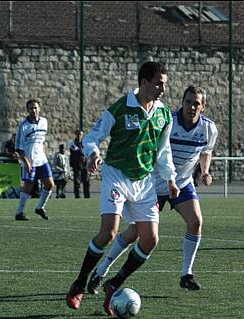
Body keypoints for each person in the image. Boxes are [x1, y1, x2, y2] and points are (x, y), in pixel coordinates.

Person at [65, 61, 179, 316]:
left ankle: (113, 284)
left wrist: (170, 178)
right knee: (108, 233)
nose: (163, 88)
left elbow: (164, 151)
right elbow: (93, 137)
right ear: (144, 82)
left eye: (165, 83)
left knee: (150, 240)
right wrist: (93, 153)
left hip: (145, 182)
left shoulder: (164, 114)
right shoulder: (120, 107)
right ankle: (79, 284)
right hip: (116, 175)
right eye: (159, 83)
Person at [87, 85, 218, 293]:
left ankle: (186, 274)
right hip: (154, 184)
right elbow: (158, 152)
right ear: (182, 102)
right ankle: (101, 271)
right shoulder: (168, 120)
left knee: (196, 222)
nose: (191, 107)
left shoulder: (209, 129)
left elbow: (206, 151)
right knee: (135, 234)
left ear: (203, 107)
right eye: (188, 102)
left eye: (196, 103)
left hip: (181, 183)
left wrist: (205, 171)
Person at [14, 99, 55, 220]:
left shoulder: (44, 122)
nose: (34, 110)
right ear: (27, 110)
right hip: (29, 160)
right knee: (28, 186)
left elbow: (40, 141)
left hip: (42, 159)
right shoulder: (23, 126)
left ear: (39, 109)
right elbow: (19, 148)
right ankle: (19, 212)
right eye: (31, 108)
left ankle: (40, 207)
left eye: (35, 108)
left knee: (50, 184)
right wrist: (26, 161)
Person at [69, 130, 91, 198]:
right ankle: (77, 196)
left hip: (85, 165)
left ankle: (87, 196)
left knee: (86, 181)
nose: (79, 136)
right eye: (78, 134)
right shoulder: (73, 144)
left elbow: (88, 152)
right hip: (77, 164)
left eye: (80, 134)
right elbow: (74, 152)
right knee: (77, 181)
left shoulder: (85, 143)